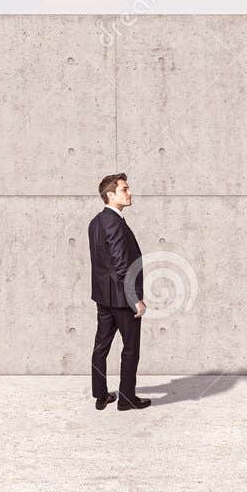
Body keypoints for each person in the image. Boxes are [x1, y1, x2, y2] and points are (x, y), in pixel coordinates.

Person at [88, 173, 150, 411]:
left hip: (103, 297)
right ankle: (126, 399)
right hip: (122, 299)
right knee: (131, 348)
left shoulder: (96, 222)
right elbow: (120, 262)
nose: (130, 192)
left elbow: (102, 263)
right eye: (125, 189)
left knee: (100, 347)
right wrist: (135, 299)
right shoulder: (114, 223)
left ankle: (101, 395)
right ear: (110, 195)